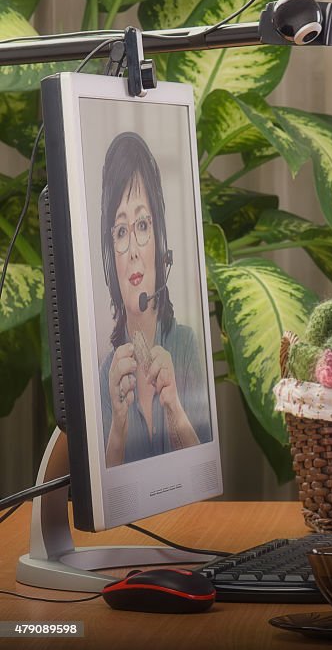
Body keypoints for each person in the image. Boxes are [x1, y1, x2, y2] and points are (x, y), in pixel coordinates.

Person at [99, 131, 210, 467]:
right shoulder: (107, 373)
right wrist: (118, 425)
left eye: (143, 225)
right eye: (120, 231)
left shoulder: (187, 346)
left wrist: (173, 404)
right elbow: (110, 494)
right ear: (110, 258)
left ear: (159, 240)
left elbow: (201, 475)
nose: (132, 250)